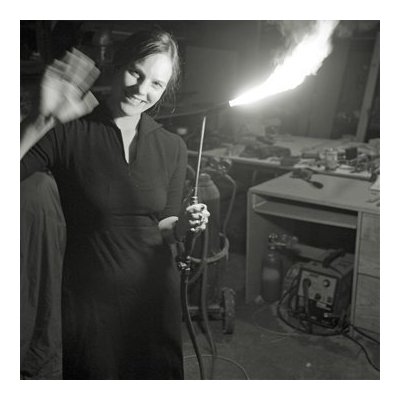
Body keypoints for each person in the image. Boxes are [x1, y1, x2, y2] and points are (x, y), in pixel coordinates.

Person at [20, 29, 210, 380]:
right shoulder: (69, 131)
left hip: (154, 296)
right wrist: (42, 119)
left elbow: (164, 227)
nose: (141, 90)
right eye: (136, 73)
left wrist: (184, 223)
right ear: (117, 64)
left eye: (156, 83)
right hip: (91, 303)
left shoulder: (172, 146)